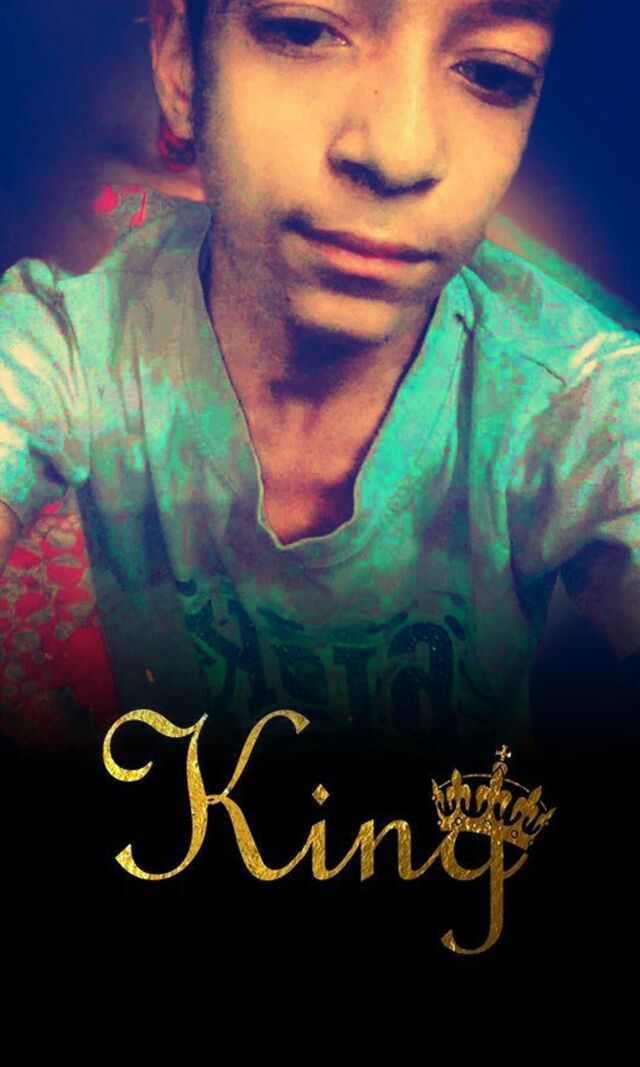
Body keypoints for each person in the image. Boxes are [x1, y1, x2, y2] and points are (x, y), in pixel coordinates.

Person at [0, 0, 638, 774]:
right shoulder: (69, 340)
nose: (399, 153)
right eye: (305, 30)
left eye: (493, 73)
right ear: (181, 63)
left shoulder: (577, 396)